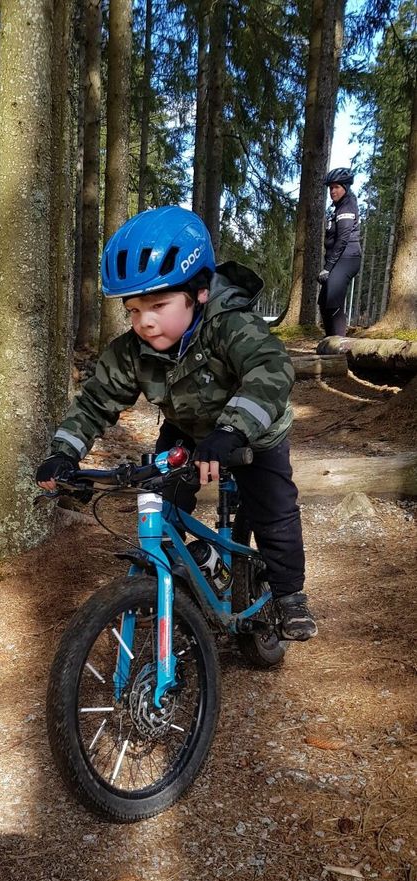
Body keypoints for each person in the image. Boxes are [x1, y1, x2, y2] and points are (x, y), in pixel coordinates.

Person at [36, 205, 317, 641]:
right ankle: (169, 584)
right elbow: (94, 402)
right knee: (162, 503)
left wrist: (233, 429)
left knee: (273, 510)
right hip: (188, 429)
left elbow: (271, 369)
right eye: (133, 310)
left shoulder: (231, 325)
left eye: (158, 305)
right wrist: (63, 453)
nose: (145, 321)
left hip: (254, 431)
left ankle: (289, 595)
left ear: (199, 292)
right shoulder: (132, 351)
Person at [318, 167, 361, 336]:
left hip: (347, 258)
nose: (332, 191)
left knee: (333, 303)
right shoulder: (339, 207)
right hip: (338, 259)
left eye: (336, 187)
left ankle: (338, 345)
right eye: (330, 188)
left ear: (345, 187)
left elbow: (343, 239)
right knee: (324, 302)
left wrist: (327, 268)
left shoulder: (347, 206)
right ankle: (329, 341)